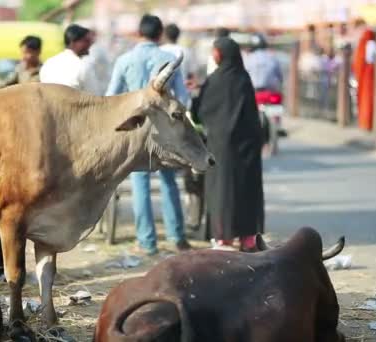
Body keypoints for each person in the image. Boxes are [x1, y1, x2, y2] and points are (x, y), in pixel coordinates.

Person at [105, 14, 191, 256]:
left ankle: (147, 242)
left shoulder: (124, 60)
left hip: (136, 129)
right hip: (165, 130)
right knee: (168, 181)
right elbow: (183, 98)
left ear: (139, 33)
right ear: (160, 34)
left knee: (139, 183)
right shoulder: (169, 59)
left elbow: (111, 96)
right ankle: (177, 237)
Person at [192, 37, 264, 252]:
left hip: (219, 146)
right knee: (246, 189)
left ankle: (223, 237)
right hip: (247, 147)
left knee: (221, 190)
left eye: (215, 52)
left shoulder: (214, 80)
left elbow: (201, 113)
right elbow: (252, 116)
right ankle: (247, 238)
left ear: (221, 55)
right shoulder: (243, 79)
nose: (213, 55)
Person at [40, 24, 96, 92]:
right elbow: (94, 96)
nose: (90, 44)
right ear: (73, 42)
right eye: (86, 41)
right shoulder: (83, 66)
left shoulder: (48, 63)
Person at [352, 29, 376, 131]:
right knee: (368, 99)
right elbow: (373, 58)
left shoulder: (363, 43)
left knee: (363, 99)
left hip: (364, 74)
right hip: (369, 75)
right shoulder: (371, 43)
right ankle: (368, 122)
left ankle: (365, 122)